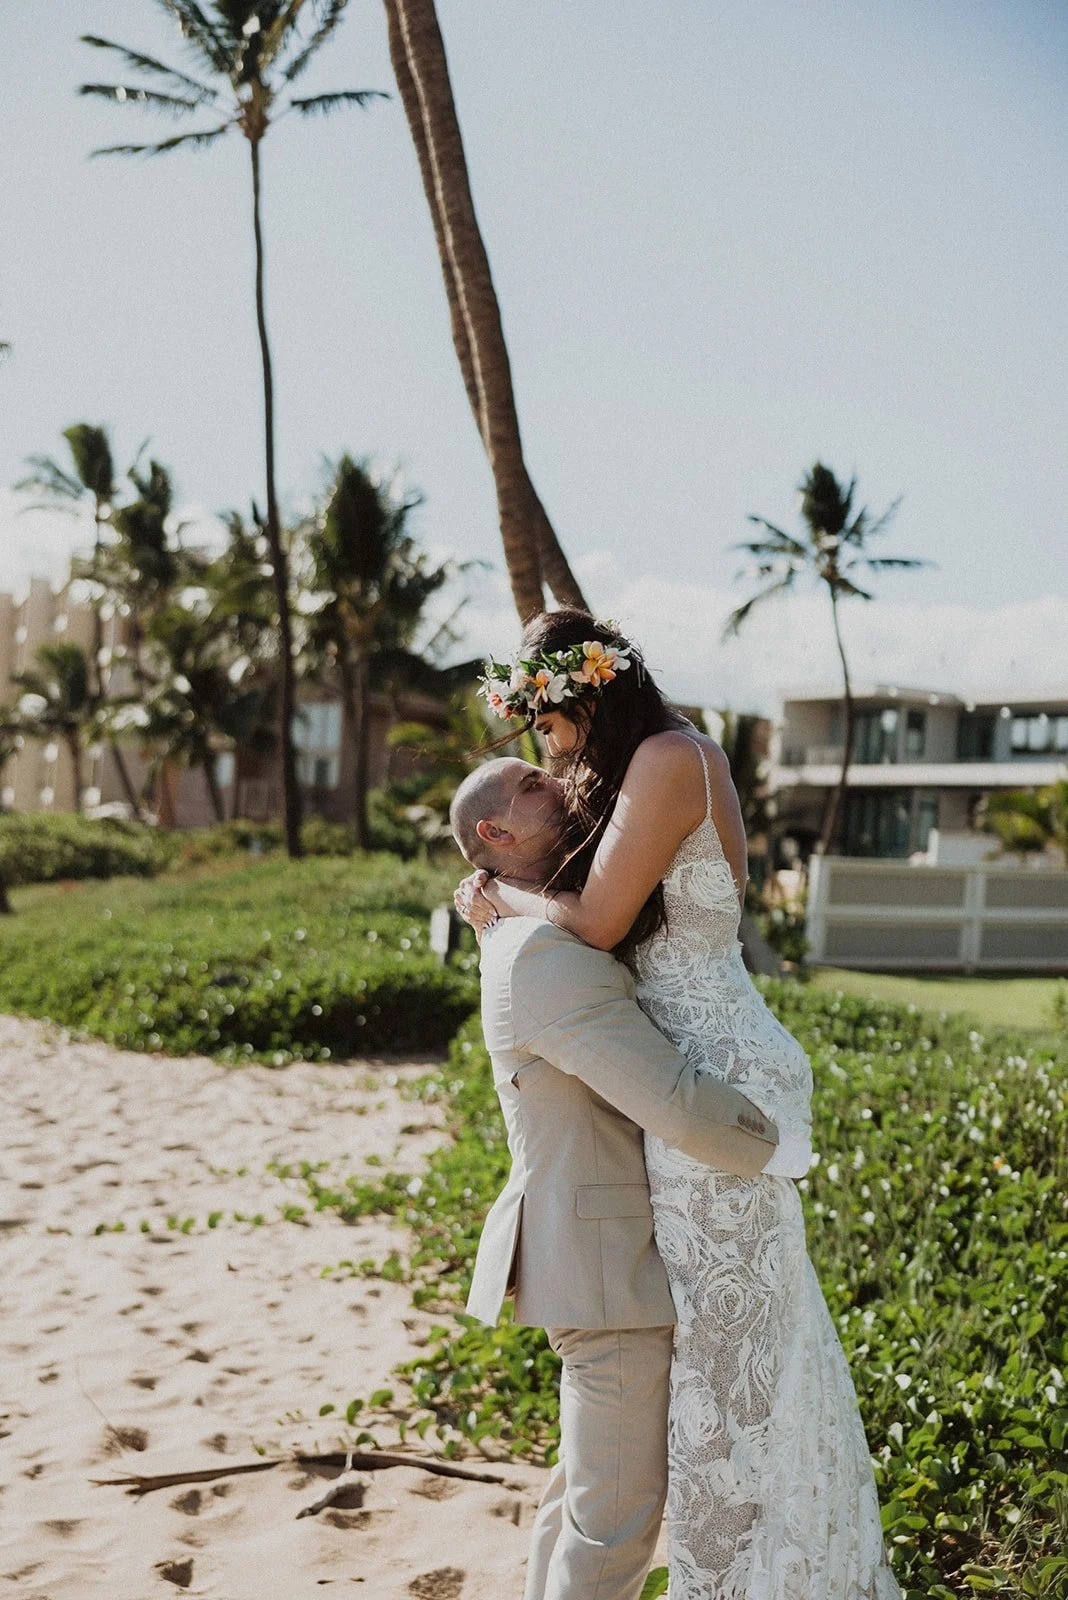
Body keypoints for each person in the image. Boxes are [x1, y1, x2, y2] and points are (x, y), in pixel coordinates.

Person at [458, 610, 903, 1600]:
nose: (549, 750)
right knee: (705, 1368)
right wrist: (498, 889)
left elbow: (597, 921)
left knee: (737, 1359)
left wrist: (499, 893)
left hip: (715, 1074)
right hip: (677, 1080)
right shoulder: (620, 773)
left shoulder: (668, 757)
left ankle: (769, 1574)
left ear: (585, 693)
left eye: (547, 724)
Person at [449, 757, 811, 1600]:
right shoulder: (540, 954)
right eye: (532, 785)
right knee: (616, 1526)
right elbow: (672, 1099)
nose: (558, 784)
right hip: (604, 1273)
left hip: (597, 1261)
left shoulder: (535, 930)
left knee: (587, 1497)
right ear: (495, 834)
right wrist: (782, 1150)